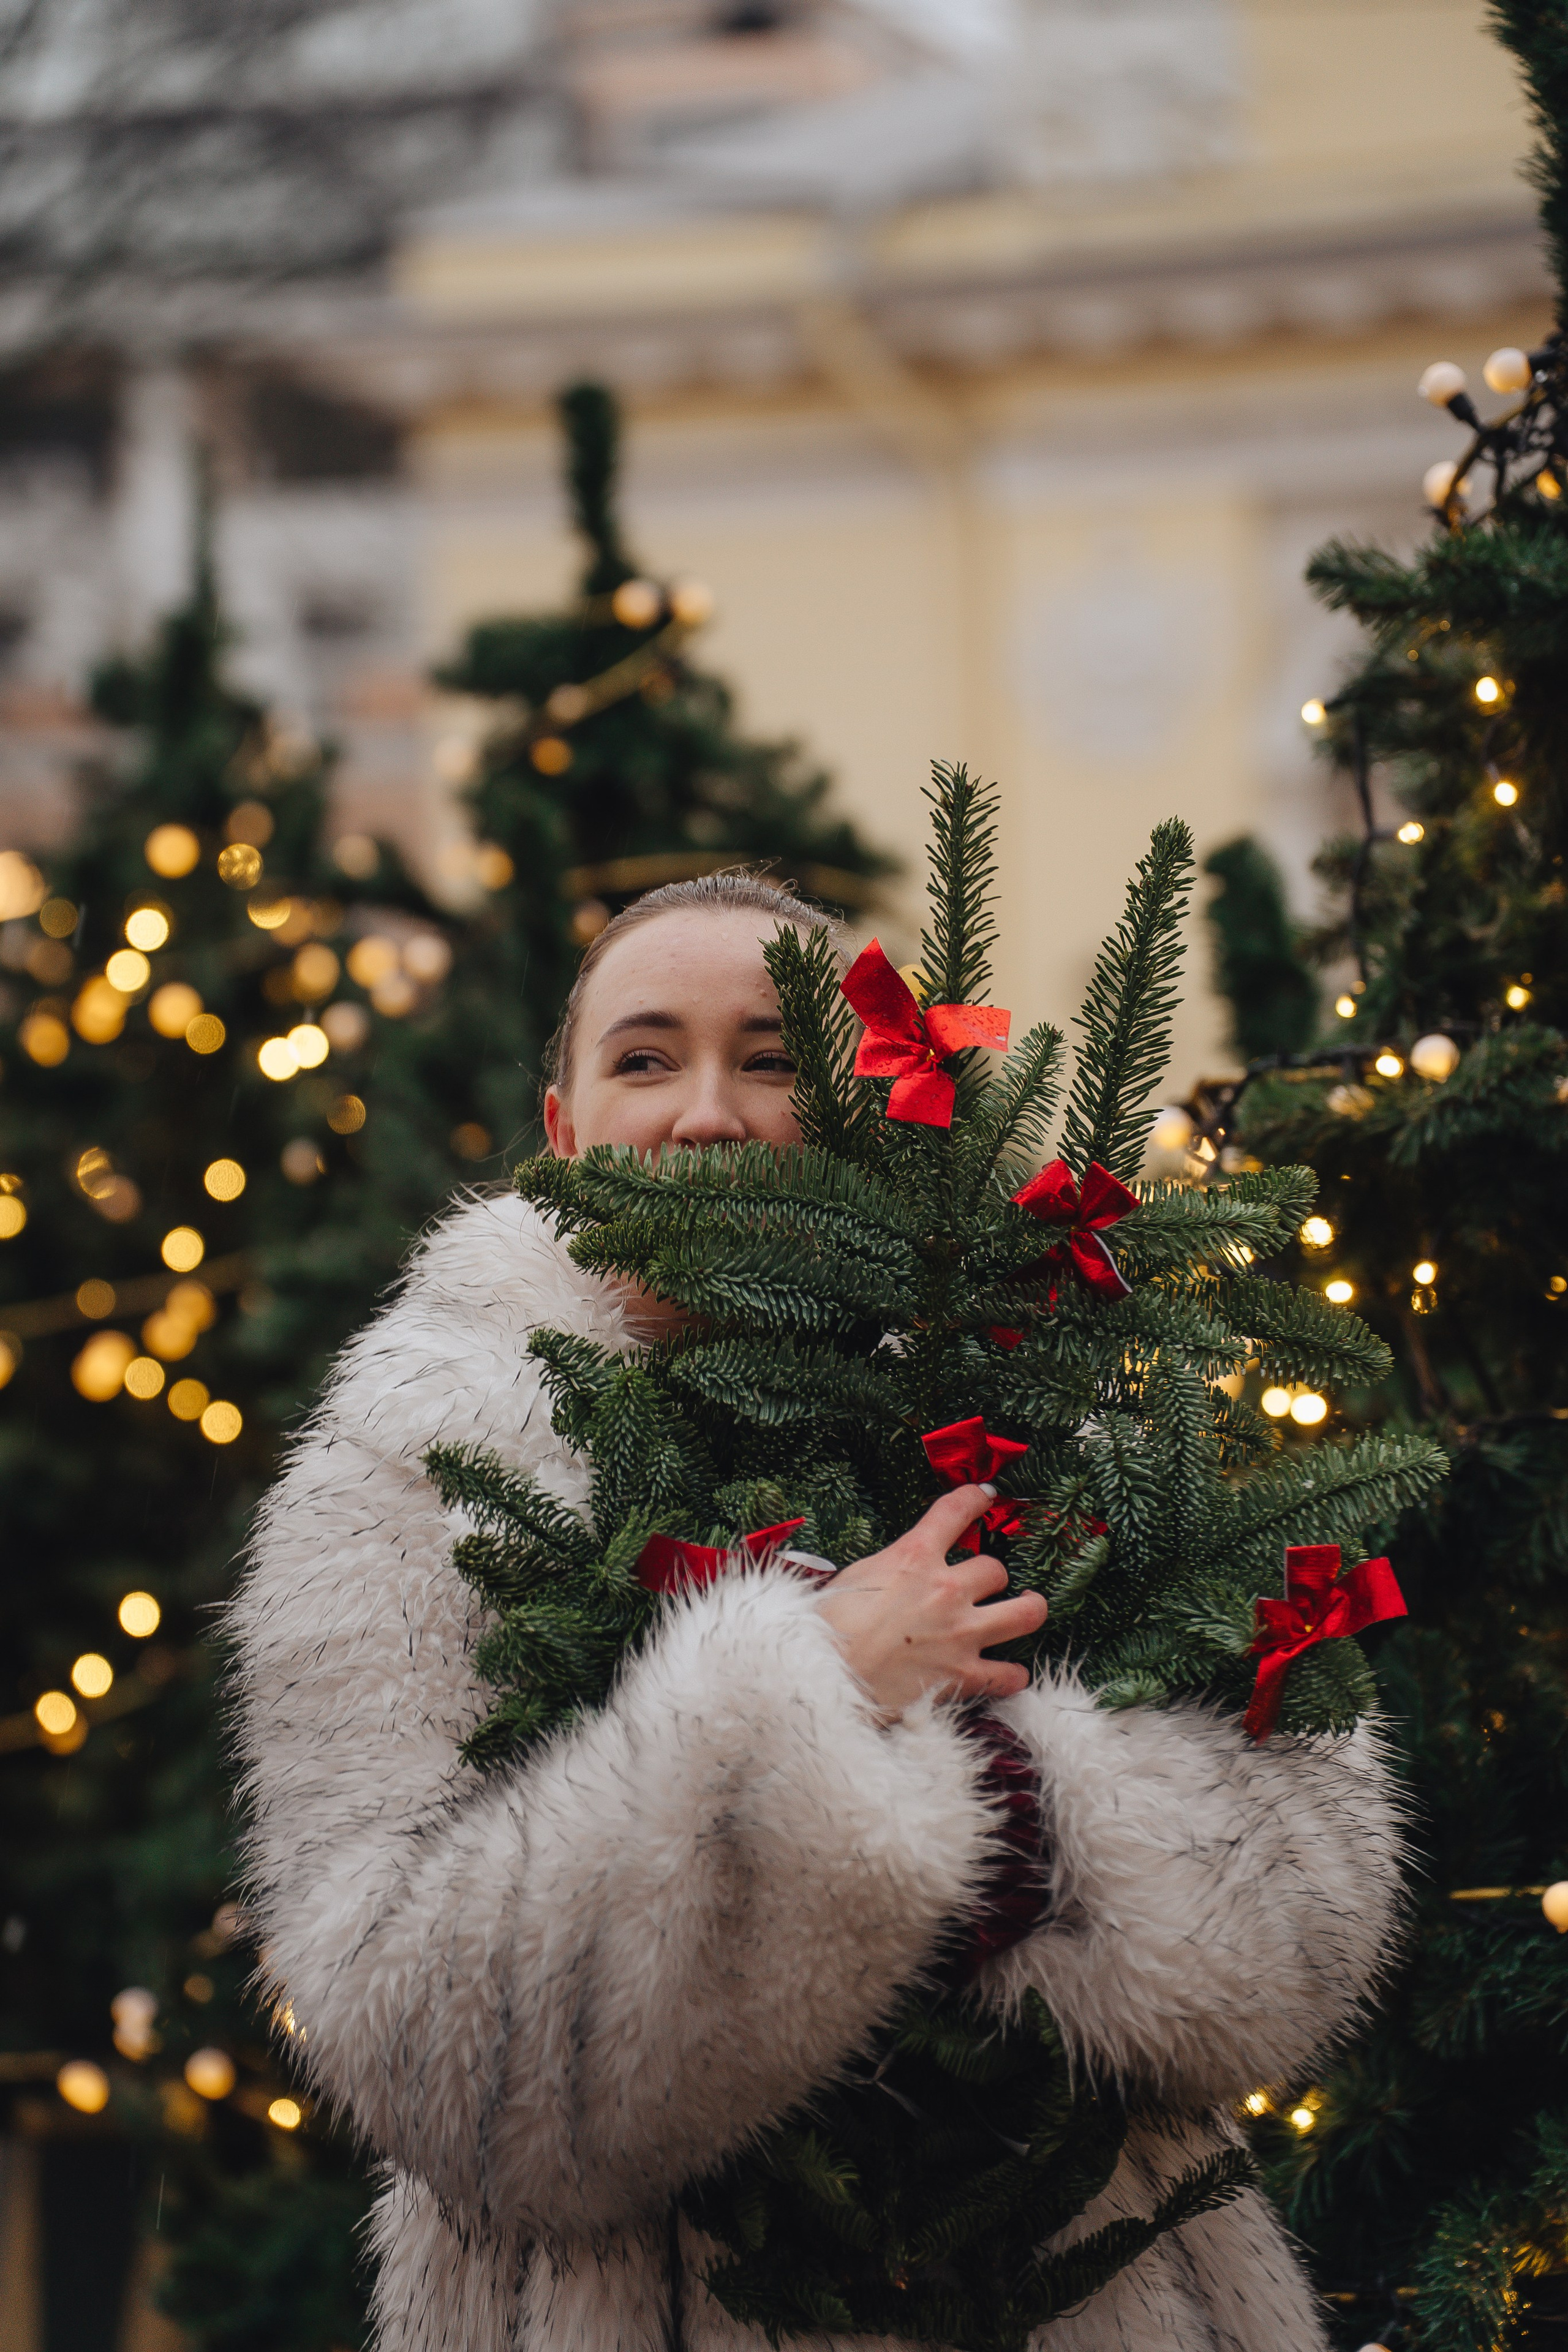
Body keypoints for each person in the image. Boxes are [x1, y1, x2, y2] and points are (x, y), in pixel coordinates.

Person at [231, 872, 1403, 2352]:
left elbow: (1311, 1920)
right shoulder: (407, 1470)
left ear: (871, 1112)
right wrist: (801, 1694)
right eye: (645, 1058)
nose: (706, 1115)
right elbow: (426, 2062)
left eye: (776, 1059)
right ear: (564, 1129)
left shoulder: (1056, 1417)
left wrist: (1004, 1788)